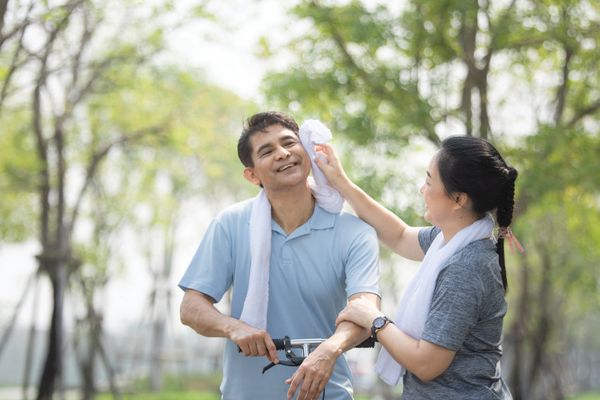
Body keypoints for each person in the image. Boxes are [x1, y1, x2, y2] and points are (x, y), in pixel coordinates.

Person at [178, 111, 381, 400]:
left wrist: (330, 349)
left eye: (289, 143)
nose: (283, 153)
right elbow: (191, 307)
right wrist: (233, 328)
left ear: (307, 151)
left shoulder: (355, 232)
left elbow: (366, 310)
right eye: (267, 151)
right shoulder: (231, 224)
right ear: (252, 175)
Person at [315, 136, 517, 399]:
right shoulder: (447, 241)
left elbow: (427, 364)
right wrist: (340, 182)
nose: (422, 189)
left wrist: (374, 319)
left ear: (458, 199)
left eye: (429, 182)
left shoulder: (466, 267)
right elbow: (399, 235)